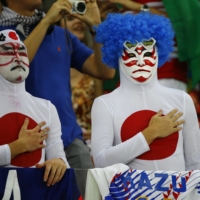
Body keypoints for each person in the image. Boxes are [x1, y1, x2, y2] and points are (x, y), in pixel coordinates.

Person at [0, 0, 115, 197]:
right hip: (18, 140)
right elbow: (15, 61)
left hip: (69, 137)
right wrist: (45, 22)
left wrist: (97, 27)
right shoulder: (3, 33)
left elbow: (105, 71)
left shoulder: (61, 34)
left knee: (90, 195)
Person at [91, 12, 200, 171]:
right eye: (132, 54)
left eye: (148, 53)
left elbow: (195, 163)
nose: (141, 62)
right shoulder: (105, 104)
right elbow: (100, 160)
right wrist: (150, 133)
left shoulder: (182, 99)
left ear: (159, 53)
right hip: (131, 195)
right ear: (117, 56)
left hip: (179, 194)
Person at [0, 29, 69, 187]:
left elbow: (56, 151)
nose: (17, 58)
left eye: (22, 51)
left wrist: (58, 162)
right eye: (8, 51)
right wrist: (17, 147)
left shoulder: (46, 107)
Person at [59, 15, 103, 145]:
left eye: (81, 18)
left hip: (90, 142)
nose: (79, 21)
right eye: (70, 18)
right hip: (56, 142)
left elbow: (100, 108)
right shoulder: (49, 65)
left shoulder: (96, 65)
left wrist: (98, 132)